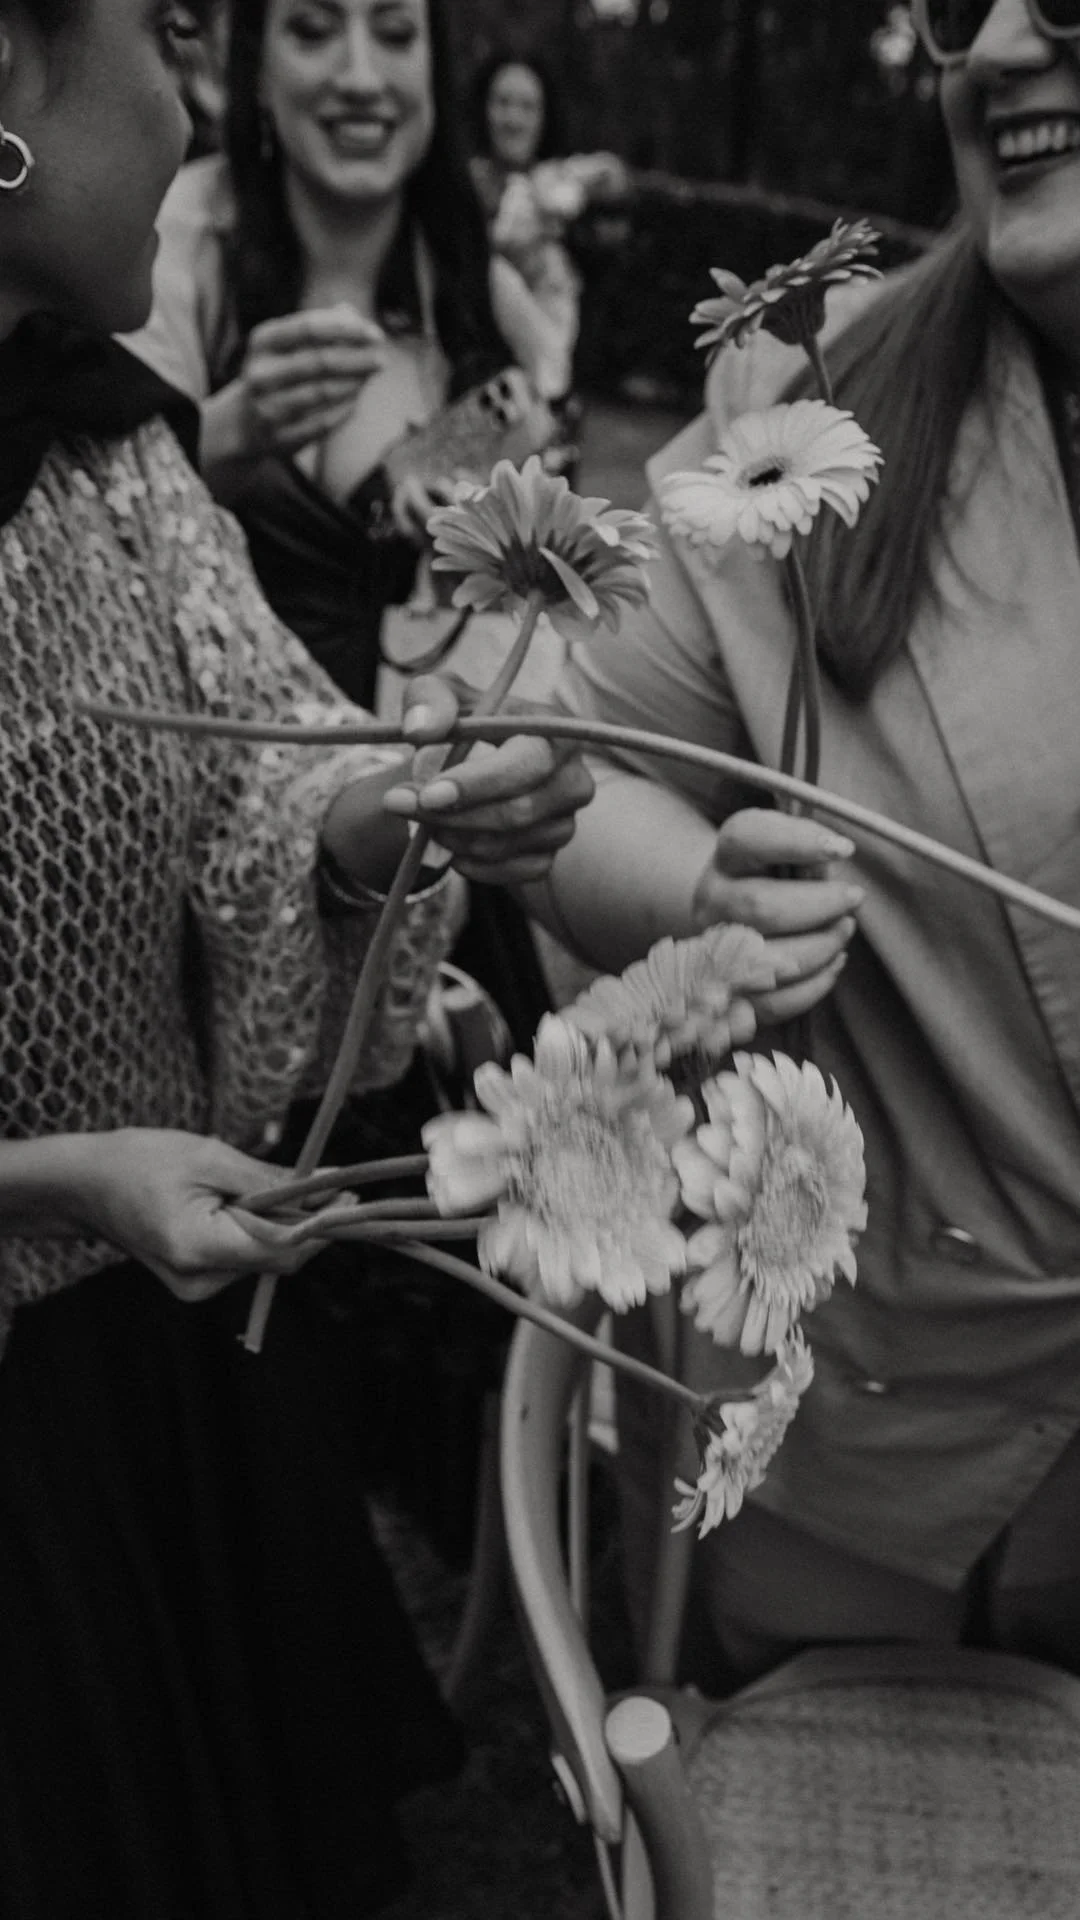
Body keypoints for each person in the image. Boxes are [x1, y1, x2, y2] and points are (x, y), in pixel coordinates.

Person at [538, 0, 1080, 1682]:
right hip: (802, 1449)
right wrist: (695, 887)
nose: (996, 43)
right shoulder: (819, 403)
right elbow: (570, 774)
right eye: (957, 4)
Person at [0, 0, 594, 1910]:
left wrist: (374, 820)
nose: (188, 111)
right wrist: (49, 1182)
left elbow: (266, 750)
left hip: (161, 1374)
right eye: (164, 34)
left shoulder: (97, 442)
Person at [123, 0, 563, 711]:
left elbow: (535, 582)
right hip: (191, 728)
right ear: (257, 67)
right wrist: (230, 433)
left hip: (401, 745)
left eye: (394, 34)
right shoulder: (170, 242)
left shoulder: (480, 293)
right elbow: (94, 536)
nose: (361, 77)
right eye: (313, 31)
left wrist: (473, 532)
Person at [467, 48, 628, 411]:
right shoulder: (461, 184)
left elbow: (613, 179)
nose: (513, 119)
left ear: (545, 117)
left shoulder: (558, 184)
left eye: (527, 107)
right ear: (482, 109)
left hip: (549, 386)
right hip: (478, 384)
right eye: (502, 103)